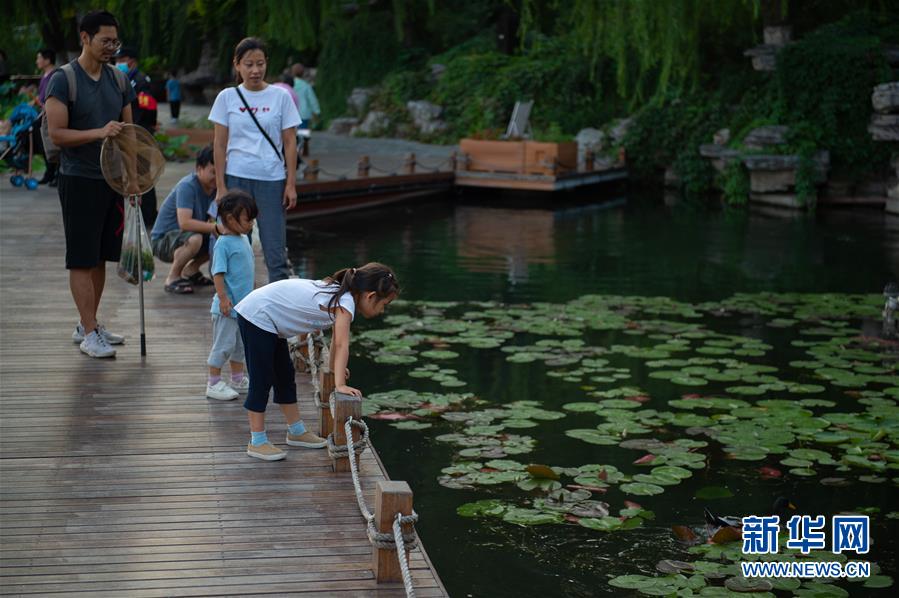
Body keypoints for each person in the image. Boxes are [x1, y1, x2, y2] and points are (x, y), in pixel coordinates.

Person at [234, 262, 399, 461]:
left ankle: (296, 431)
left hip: (270, 319)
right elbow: (341, 345)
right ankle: (257, 441)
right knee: (262, 379)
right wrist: (340, 384)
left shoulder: (341, 295)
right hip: (257, 315)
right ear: (370, 296)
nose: (382, 311)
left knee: (285, 375)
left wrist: (334, 369)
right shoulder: (345, 302)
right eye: (384, 305)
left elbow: (337, 339)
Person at [45, 10, 136, 359]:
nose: (111, 47)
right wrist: (99, 132)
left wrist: (132, 179)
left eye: (115, 41)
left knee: (100, 258)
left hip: (112, 180)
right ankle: (88, 332)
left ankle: (90, 323)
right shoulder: (62, 79)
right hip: (79, 178)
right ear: (85, 37)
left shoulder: (119, 80)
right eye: (105, 41)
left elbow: (129, 135)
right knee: (81, 259)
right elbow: (57, 133)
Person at [209, 37, 299, 284]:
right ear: (237, 65)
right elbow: (219, 144)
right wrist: (220, 185)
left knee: (275, 249)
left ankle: (278, 308)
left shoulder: (280, 97)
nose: (255, 70)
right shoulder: (227, 97)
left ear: (266, 64)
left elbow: (290, 142)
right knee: (236, 245)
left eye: (260, 63)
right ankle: (237, 306)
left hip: (272, 179)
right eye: (248, 64)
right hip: (236, 178)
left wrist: (291, 183)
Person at [206, 191, 257, 401]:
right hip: (227, 308)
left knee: (239, 346)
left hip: (243, 307)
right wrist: (223, 298)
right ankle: (214, 383)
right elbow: (217, 273)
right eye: (248, 219)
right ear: (229, 219)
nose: (252, 223)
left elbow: (247, 267)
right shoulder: (223, 243)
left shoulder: (243, 238)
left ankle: (237, 378)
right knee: (223, 345)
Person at [150, 145, 218, 294]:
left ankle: (191, 270)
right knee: (196, 238)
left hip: (186, 235)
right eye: (213, 172)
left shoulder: (216, 189)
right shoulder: (188, 186)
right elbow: (185, 223)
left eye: (221, 173)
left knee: (221, 238)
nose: (217, 178)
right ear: (199, 168)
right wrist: (216, 228)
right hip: (163, 240)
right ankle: (172, 278)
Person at [115, 46, 158, 227]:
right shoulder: (124, 79)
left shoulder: (140, 81)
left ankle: (149, 216)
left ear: (130, 60)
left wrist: (145, 129)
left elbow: (149, 107)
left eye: (121, 59)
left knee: (142, 174)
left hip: (140, 132)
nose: (118, 63)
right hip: (126, 133)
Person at [34, 48, 58, 186]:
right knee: (44, 144)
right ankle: (50, 172)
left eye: (39, 58)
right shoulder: (44, 76)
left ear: (47, 60)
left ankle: (54, 173)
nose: (37, 61)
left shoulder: (55, 75)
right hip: (42, 113)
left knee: (52, 145)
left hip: (51, 115)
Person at [290, 63, 320, 130]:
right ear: (303, 73)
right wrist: (316, 111)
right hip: (304, 114)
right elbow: (312, 100)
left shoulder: (289, 85)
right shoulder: (306, 86)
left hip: (291, 115)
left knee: (291, 136)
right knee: (304, 134)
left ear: (292, 72)